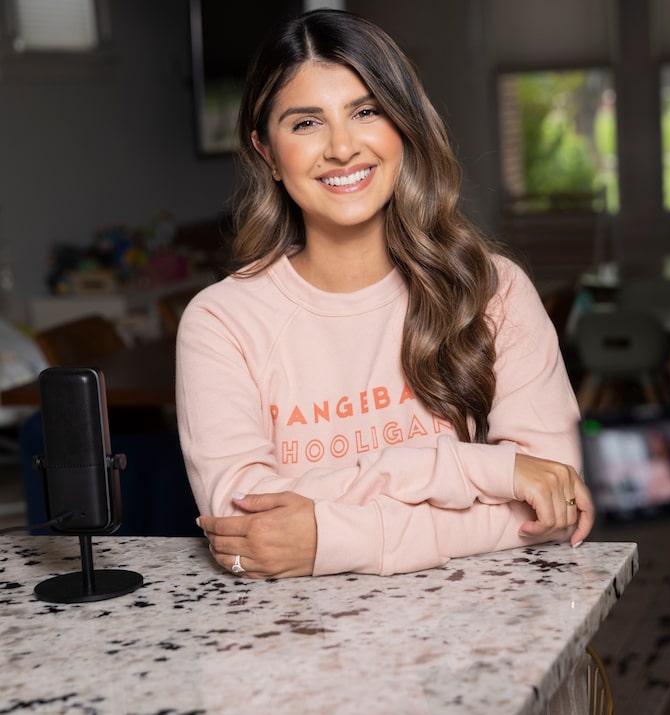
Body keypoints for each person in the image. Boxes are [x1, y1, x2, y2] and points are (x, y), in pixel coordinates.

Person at [176, 8, 594, 579]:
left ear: (403, 127)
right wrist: (488, 473)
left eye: (366, 112)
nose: (342, 148)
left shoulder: (492, 291)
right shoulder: (221, 322)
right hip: (294, 646)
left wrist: (332, 536)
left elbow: (557, 501)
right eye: (306, 123)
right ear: (267, 153)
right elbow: (248, 530)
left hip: (484, 640)